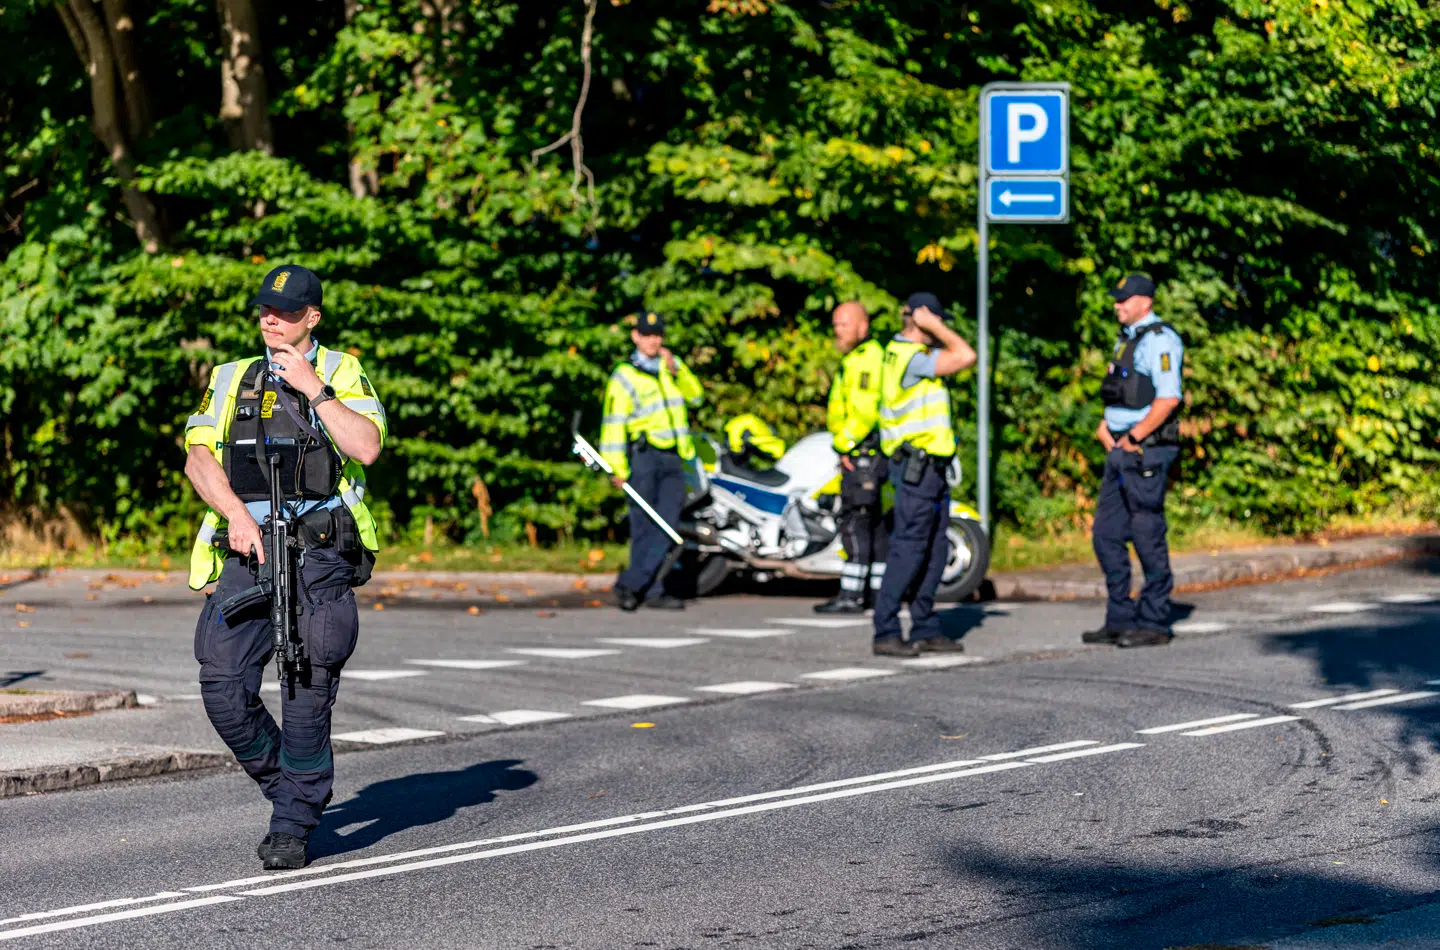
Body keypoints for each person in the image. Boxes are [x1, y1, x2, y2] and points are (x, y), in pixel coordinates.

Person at [182, 263, 387, 870]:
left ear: (312, 317)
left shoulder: (342, 369)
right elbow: (198, 459)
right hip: (249, 547)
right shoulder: (231, 376)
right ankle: (291, 788)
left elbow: (366, 446)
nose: (271, 320)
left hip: (319, 551)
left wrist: (313, 387)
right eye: (265, 310)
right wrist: (236, 518)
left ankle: (293, 822)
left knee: (306, 686)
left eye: (287, 311)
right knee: (222, 684)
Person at [871, 292, 976, 657]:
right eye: (937, 320)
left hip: (931, 470)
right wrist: (932, 325)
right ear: (922, 318)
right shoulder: (911, 357)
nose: (940, 327)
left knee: (934, 550)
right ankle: (886, 630)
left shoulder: (903, 354)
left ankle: (924, 626)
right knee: (909, 549)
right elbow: (966, 355)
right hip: (917, 471)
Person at [1085, 273, 1184, 648]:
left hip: (1144, 451)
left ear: (1145, 301)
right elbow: (1125, 393)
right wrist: (1106, 427)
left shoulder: (1161, 340)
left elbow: (1168, 398)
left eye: (1124, 299)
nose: (1117, 305)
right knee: (1106, 534)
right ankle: (1120, 618)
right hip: (1120, 449)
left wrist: (1134, 437)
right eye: (1117, 299)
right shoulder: (1128, 339)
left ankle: (1154, 622)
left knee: (1146, 534)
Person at [599, 310, 703, 611]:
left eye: (657, 335)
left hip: (673, 456)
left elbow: (696, 397)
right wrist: (616, 467)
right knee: (644, 526)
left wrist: (677, 371)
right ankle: (652, 589)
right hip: (643, 457)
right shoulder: (625, 375)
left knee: (667, 524)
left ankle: (631, 584)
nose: (652, 341)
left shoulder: (671, 367)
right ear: (636, 337)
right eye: (646, 335)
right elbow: (614, 423)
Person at [816, 301, 889, 614]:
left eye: (844, 324)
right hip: (868, 452)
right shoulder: (859, 357)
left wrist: (844, 444)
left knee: (855, 521)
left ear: (863, 326)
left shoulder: (867, 359)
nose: (838, 330)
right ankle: (876, 593)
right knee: (873, 524)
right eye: (835, 324)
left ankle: (852, 595)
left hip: (862, 452)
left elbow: (866, 410)